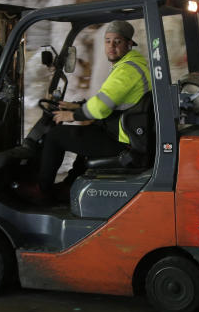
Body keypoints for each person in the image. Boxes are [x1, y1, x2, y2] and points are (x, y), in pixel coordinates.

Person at [26, 20, 151, 204]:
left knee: (55, 136)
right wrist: (77, 106)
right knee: (86, 133)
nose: (111, 46)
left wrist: (72, 116)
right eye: (108, 41)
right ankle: (69, 185)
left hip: (123, 141)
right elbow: (108, 100)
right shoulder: (129, 66)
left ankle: (42, 190)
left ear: (129, 44)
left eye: (117, 41)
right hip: (123, 133)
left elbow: (100, 107)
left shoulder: (127, 71)